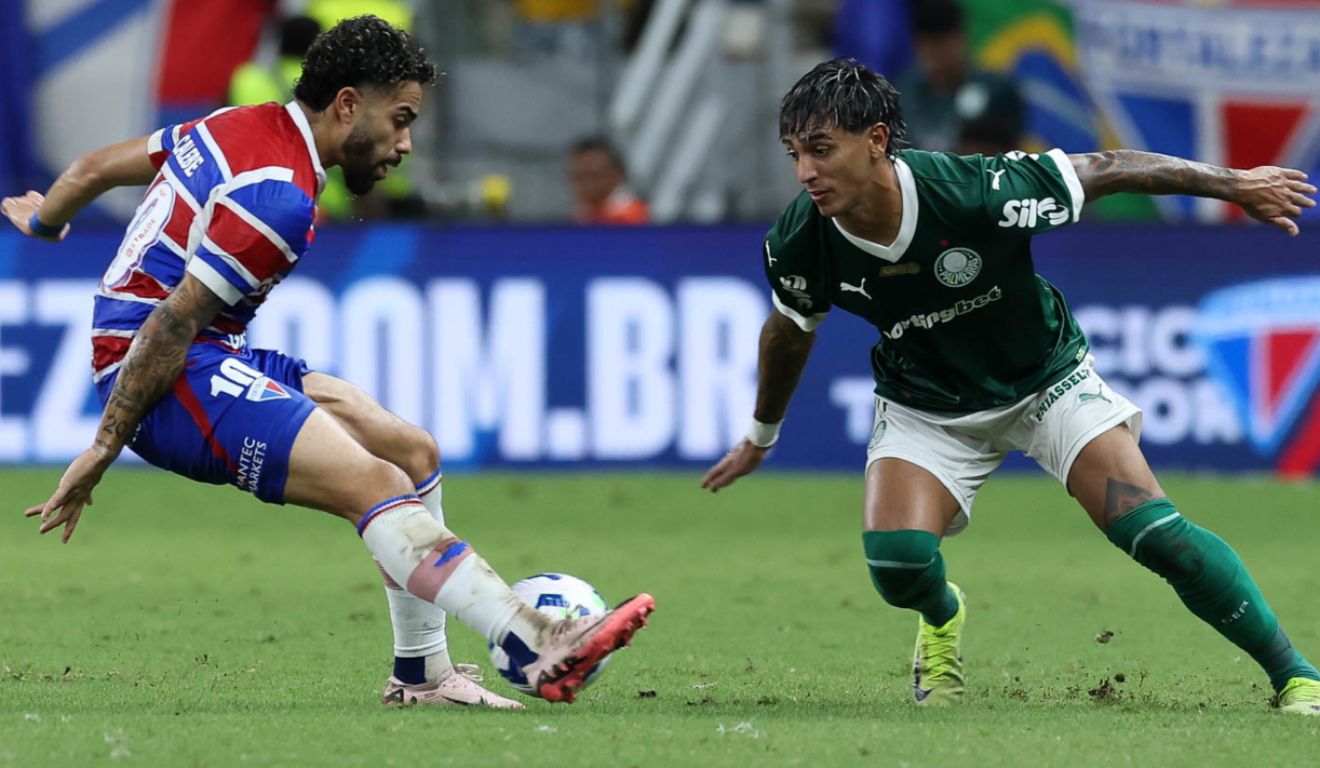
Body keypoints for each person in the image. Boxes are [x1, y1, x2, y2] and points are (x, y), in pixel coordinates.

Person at [1, 15, 653, 708]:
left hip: (204, 347)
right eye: (399, 120)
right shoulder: (277, 198)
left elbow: (93, 168)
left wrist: (45, 221)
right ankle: (535, 639)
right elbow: (170, 322)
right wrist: (104, 446)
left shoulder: (237, 123)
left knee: (409, 452)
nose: (404, 144)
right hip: (164, 369)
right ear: (347, 104)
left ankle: (422, 675)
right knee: (372, 484)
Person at [700, 57, 1320, 715]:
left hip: (1045, 382)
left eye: (821, 150)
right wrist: (760, 436)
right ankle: (943, 616)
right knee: (898, 564)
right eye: (795, 153)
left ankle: (1298, 677)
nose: (805, 172)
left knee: (1155, 533)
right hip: (926, 405)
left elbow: (1110, 169)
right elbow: (789, 333)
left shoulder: (974, 190)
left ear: (876, 139)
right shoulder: (800, 240)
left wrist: (1235, 184)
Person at [896, 0, 1024, 154]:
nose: (934, 56)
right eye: (926, 46)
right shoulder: (904, 92)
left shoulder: (996, 91)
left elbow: (1011, 157)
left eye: (942, 44)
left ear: (961, 39)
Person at [568, 136, 650, 225]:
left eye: (593, 176)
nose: (585, 184)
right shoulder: (580, 216)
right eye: (578, 177)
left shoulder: (632, 218)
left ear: (618, 174)